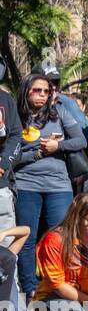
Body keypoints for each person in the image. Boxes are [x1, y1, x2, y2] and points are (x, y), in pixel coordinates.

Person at [12, 73, 86, 296]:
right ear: (26, 90)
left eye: (46, 91)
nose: (42, 95)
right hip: (26, 184)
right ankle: (30, 289)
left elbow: (81, 140)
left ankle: (59, 287)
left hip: (59, 186)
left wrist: (57, 147)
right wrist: (35, 154)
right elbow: (10, 157)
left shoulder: (59, 112)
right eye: (37, 90)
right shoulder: (15, 116)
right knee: (27, 238)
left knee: (61, 238)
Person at [0, 79, 20, 233]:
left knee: (5, 246)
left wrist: (4, 163)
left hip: (2, 185)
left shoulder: (6, 100)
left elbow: (15, 136)